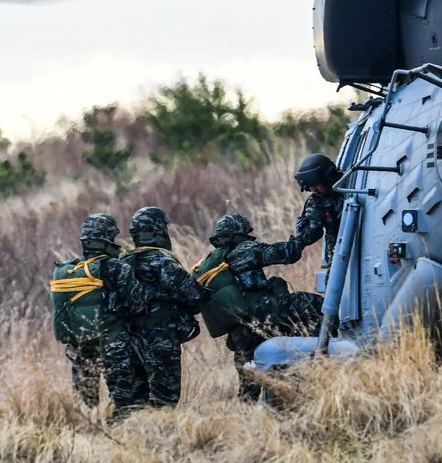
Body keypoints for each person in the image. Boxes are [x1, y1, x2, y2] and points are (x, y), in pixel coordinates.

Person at [193, 212, 322, 401]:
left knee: (248, 390)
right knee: (316, 306)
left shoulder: (213, 261)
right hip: (262, 319)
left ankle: (247, 417)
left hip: (240, 331)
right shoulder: (244, 250)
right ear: (240, 233)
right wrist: (303, 236)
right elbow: (286, 253)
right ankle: (326, 358)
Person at [49, 214, 144, 414]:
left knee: (85, 401)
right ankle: (120, 428)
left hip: (80, 344)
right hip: (113, 343)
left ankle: (89, 428)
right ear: (109, 237)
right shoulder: (118, 267)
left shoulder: (69, 269)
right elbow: (137, 305)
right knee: (123, 401)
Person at [121, 207, 208, 408]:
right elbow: (193, 295)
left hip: (129, 338)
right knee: (165, 398)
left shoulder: (122, 262)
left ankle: (134, 427)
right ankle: (160, 427)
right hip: (161, 337)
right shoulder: (161, 260)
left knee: (135, 399)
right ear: (158, 230)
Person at [294, 153, 344, 268]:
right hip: (339, 251)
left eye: (316, 184)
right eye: (310, 187)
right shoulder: (316, 201)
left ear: (327, 178)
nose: (314, 190)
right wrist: (300, 239)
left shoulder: (351, 187)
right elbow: (314, 229)